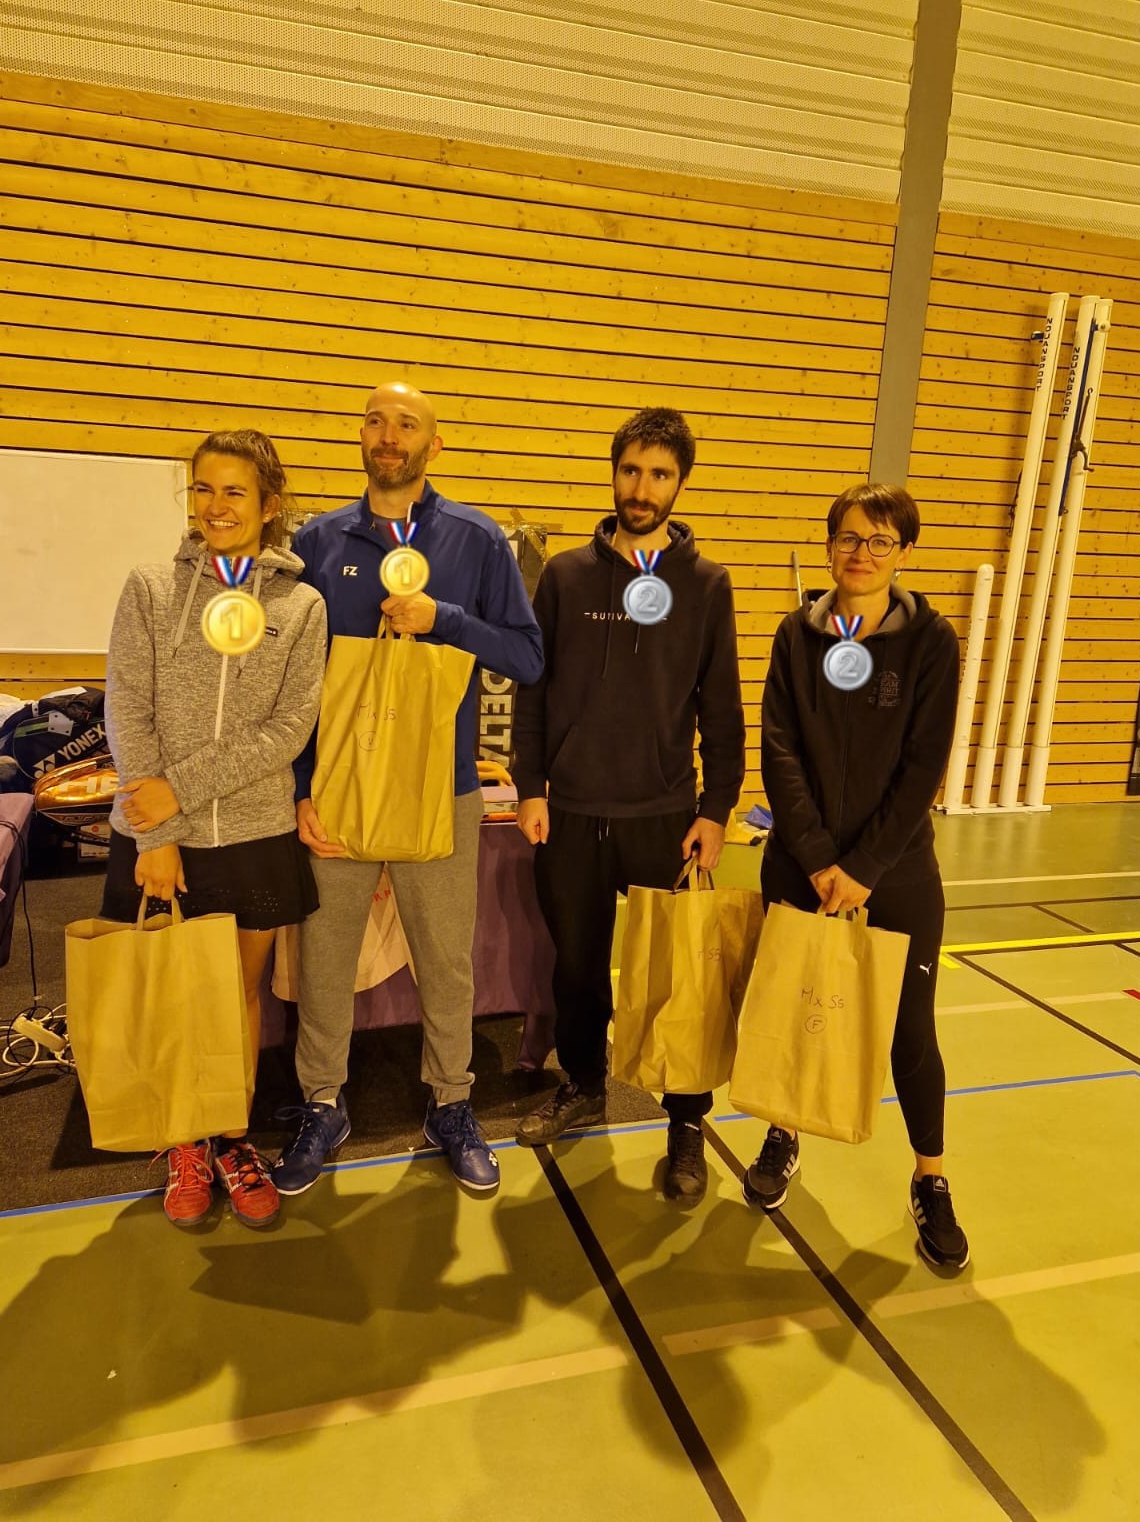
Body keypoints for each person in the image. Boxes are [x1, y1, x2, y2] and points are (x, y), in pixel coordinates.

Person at [272, 382, 544, 1197]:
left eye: (406, 424)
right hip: (338, 788)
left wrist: (445, 620)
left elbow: (527, 658)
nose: (388, 436)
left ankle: (451, 1103)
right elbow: (289, 680)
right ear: (361, 436)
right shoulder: (317, 541)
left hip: (442, 788)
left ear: (434, 443)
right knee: (324, 958)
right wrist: (300, 788)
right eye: (375, 421)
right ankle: (322, 1103)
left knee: (446, 960)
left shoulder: (477, 540)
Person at [511, 407, 745, 1205]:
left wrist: (715, 809)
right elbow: (534, 690)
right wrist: (532, 786)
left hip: (663, 816)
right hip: (571, 813)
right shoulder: (566, 576)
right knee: (577, 968)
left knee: (677, 977)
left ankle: (685, 1120)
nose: (642, 488)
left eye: (659, 474)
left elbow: (721, 709)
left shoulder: (707, 585)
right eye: (631, 471)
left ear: (680, 484)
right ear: (614, 474)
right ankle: (583, 1084)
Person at [101, 429, 327, 1230]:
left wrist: (181, 789)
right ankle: (183, 1145)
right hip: (163, 835)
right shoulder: (150, 588)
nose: (216, 506)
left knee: (236, 997)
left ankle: (232, 1138)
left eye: (235, 492)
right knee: (175, 997)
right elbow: (127, 708)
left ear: (270, 505)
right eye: (202, 489)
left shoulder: (301, 606)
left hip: (255, 834)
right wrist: (155, 831)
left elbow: (290, 728)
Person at [744, 482, 969, 1269]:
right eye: (848, 538)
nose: (861, 554)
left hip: (896, 873)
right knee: (794, 1010)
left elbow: (924, 765)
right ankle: (783, 1134)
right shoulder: (795, 634)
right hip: (799, 868)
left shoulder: (931, 641)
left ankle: (930, 1178)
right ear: (830, 544)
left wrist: (866, 867)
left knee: (910, 1032)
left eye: (880, 541)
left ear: (904, 552)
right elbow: (779, 749)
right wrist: (815, 858)